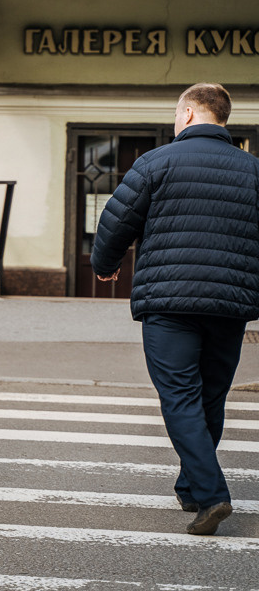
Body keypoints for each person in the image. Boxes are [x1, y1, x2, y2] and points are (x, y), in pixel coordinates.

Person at [92, 83, 259, 536]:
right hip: (231, 303)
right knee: (210, 395)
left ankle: (211, 494)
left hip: (169, 300)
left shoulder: (156, 162)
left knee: (180, 395)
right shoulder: (253, 170)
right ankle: (190, 486)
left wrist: (105, 265)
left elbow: (116, 218)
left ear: (187, 113)